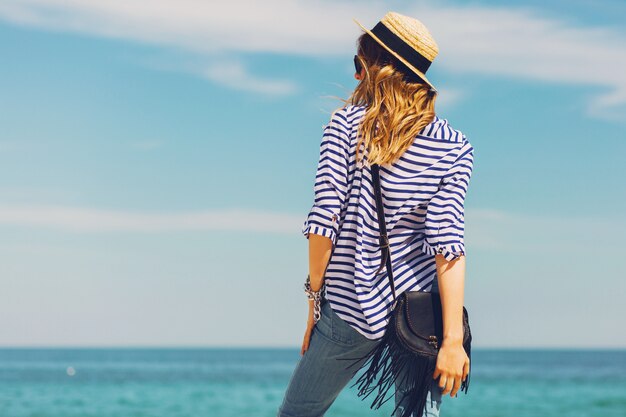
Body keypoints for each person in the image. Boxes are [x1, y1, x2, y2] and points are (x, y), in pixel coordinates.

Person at [277, 11, 474, 417]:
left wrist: (315, 305)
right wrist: (452, 339)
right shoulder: (454, 146)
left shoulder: (346, 127)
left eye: (358, 64)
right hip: (420, 315)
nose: (354, 77)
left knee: (297, 413)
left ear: (376, 68)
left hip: (351, 306)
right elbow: (448, 247)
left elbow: (323, 225)